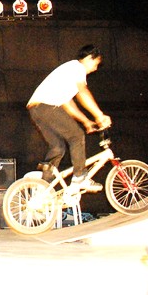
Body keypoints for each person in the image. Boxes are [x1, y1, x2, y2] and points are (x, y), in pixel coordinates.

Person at [26, 44, 112, 191]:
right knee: (76, 136)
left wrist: (86, 121)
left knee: (57, 147)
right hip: (46, 107)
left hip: (36, 110)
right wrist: (99, 115)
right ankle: (80, 177)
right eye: (96, 64)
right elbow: (83, 92)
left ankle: (43, 187)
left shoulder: (68, 72)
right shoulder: (77, 68)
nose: (95, 69)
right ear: (89, 58)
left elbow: (68, 104)